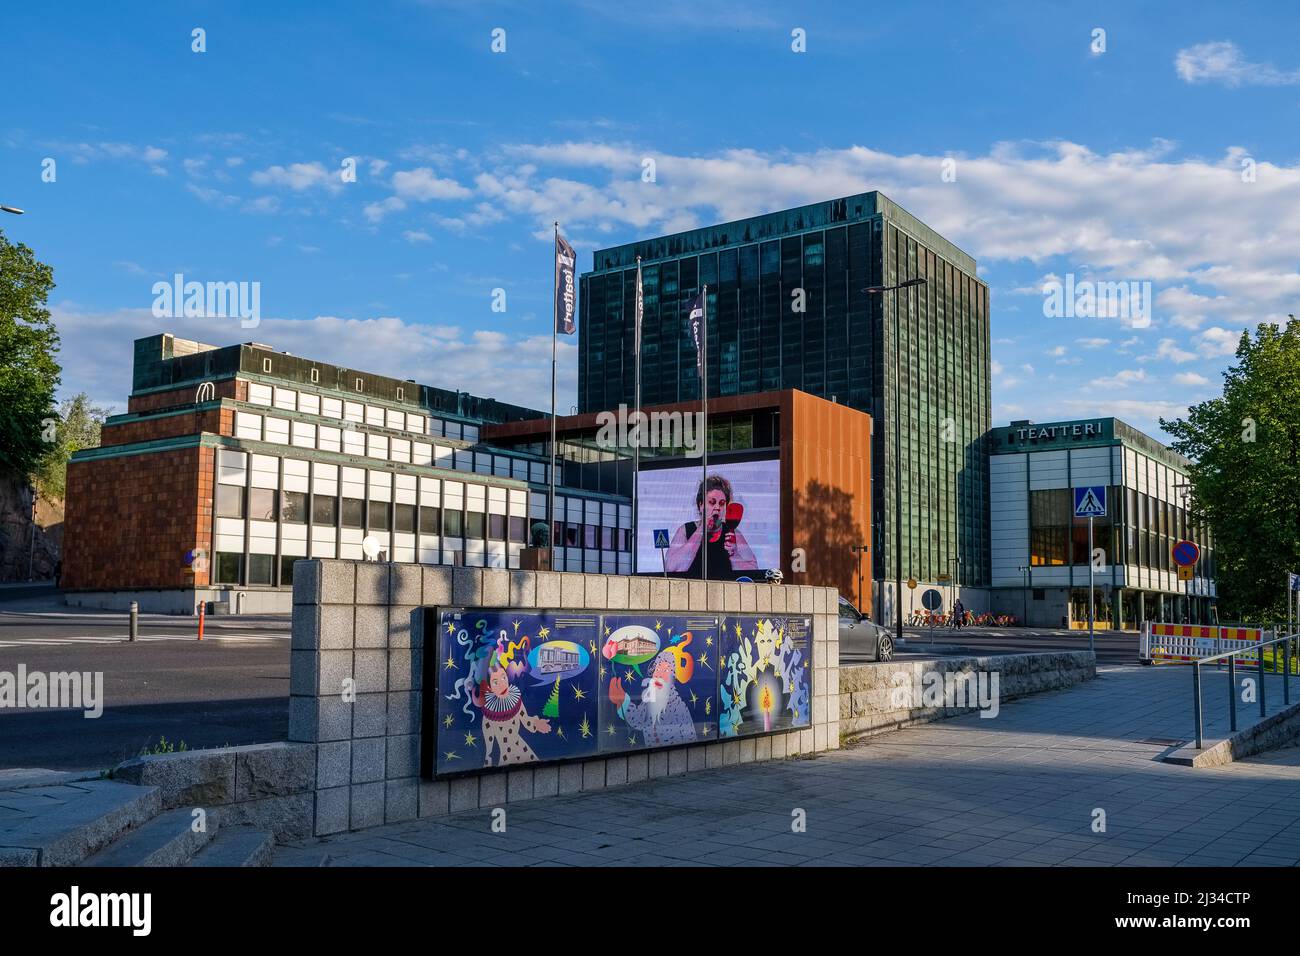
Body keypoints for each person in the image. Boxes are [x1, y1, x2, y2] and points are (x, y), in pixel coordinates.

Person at [663, 474, 757, 577]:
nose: (717, 507)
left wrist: (735, 555)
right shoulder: (685, 530)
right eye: (712, 502)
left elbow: (753, 571)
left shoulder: (733, 533)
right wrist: (701, 530)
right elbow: (670, 568)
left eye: (721, 503)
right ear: (700, 505)